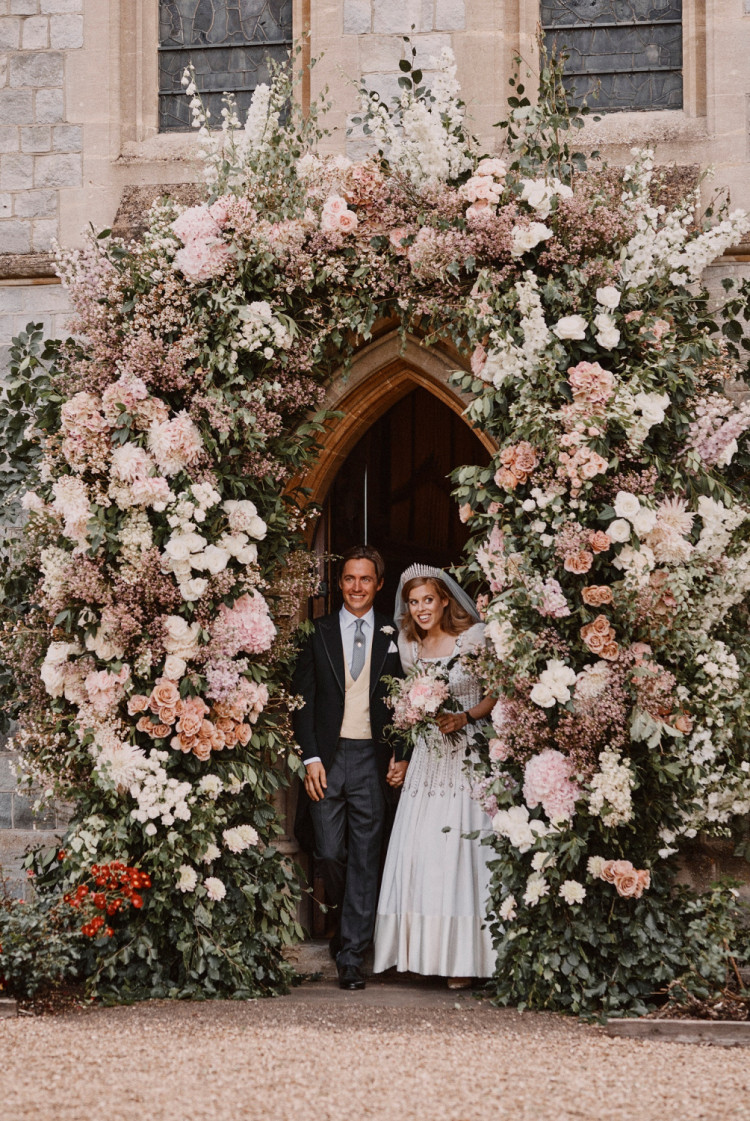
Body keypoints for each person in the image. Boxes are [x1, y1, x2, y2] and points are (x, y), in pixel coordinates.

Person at [373, 563, 496, 987]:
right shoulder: (410, 647)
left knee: (461, 853)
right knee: (422, 851)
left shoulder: (473, 639)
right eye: (413, 602)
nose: (421, 609)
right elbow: (409, 712)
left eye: (428, 599)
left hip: (467, 754)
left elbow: (495, 691)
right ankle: (422, 952)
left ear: (445, 599)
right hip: (427, 758)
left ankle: (465, 960)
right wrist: (402, 755)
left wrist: (464, 716)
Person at [292, 545, 406, 990]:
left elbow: (406, 702)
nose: (356, 587)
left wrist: (400, 752)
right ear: (339, 584)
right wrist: (310, 757)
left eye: (365, 579)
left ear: (379, 584)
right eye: (349, 579)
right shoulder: (315, 632)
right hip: (327, 757)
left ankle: (352, 955)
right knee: (329, 853)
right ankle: (344, 923)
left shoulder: (394, 635)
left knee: (365, 857)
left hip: (371, 760)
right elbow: (301, 702)